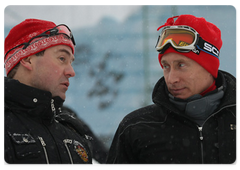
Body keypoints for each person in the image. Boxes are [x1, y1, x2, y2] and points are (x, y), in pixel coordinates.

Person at [106, 14, 237, 164]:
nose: (171, 78)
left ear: (209, 68)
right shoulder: (136, 127)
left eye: (181, 65)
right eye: (166, 66)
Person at [2, 19, 92, 164]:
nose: (71, 72)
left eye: (71, 62)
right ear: (28, 59)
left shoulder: (73, 133)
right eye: (62, 58)